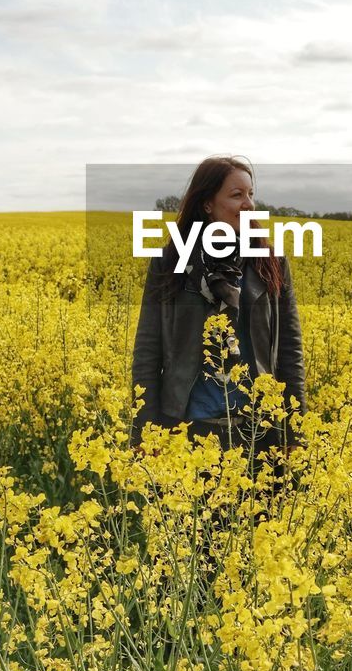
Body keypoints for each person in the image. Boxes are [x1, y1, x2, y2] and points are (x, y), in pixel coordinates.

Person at [131, 156, 306, 460]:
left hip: (259, 430)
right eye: (237, 195)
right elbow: (148, 350)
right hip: (188, 430)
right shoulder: (170, 263)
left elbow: (290, 350)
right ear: (207, 204)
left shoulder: (271, 263)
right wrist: (145, 429)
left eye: (251, 194)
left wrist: (295, 429)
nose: (249, 204)